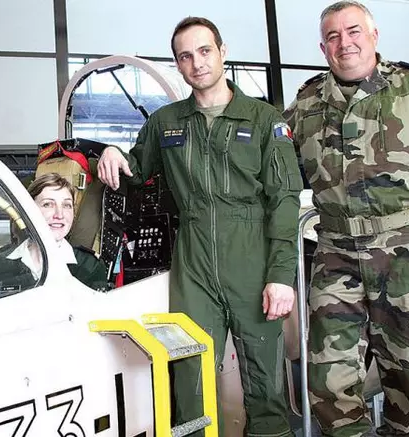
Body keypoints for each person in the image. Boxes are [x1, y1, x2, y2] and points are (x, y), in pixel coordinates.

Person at [97, 16, 302, 437]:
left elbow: (284, 201)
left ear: (222, 52)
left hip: (252, 256)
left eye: (204, 51)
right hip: (192, 261)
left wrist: (281, 275)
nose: (197, 63)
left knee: (265, 378)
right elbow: (137, 169)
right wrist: (113, 152)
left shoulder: (264, 119)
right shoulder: (165, 122)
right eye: (185, 56)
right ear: (178, 65)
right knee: (189, 377)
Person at [283, 1, 409, 435]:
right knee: (328, 381)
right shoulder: (305, 103)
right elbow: (276, 173)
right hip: (337, 253)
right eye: (334, 36)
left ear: (374, 36)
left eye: (354, 31)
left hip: (408, 253)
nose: (346, 43)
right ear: (323, 47)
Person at [0, 172, 107, 291]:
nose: (59, 214)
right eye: (48, 204)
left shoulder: (90, 266)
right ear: (29, 210)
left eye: (67, 205)